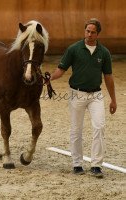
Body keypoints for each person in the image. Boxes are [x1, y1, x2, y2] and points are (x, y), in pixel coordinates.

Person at [50, 18, 117, 178]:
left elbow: (108, 76)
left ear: (98, 34)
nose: (89, 34)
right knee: (76, 129)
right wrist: (49, 78)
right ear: (84, 31)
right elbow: (61, 70)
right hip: (76, 93)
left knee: (99, 127)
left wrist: (113, 99)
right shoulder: (74, 49)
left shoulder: (104, 52)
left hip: (96, 95)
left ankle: (96, 166)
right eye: (87, 31)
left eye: (93, 32)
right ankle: (77, 163)